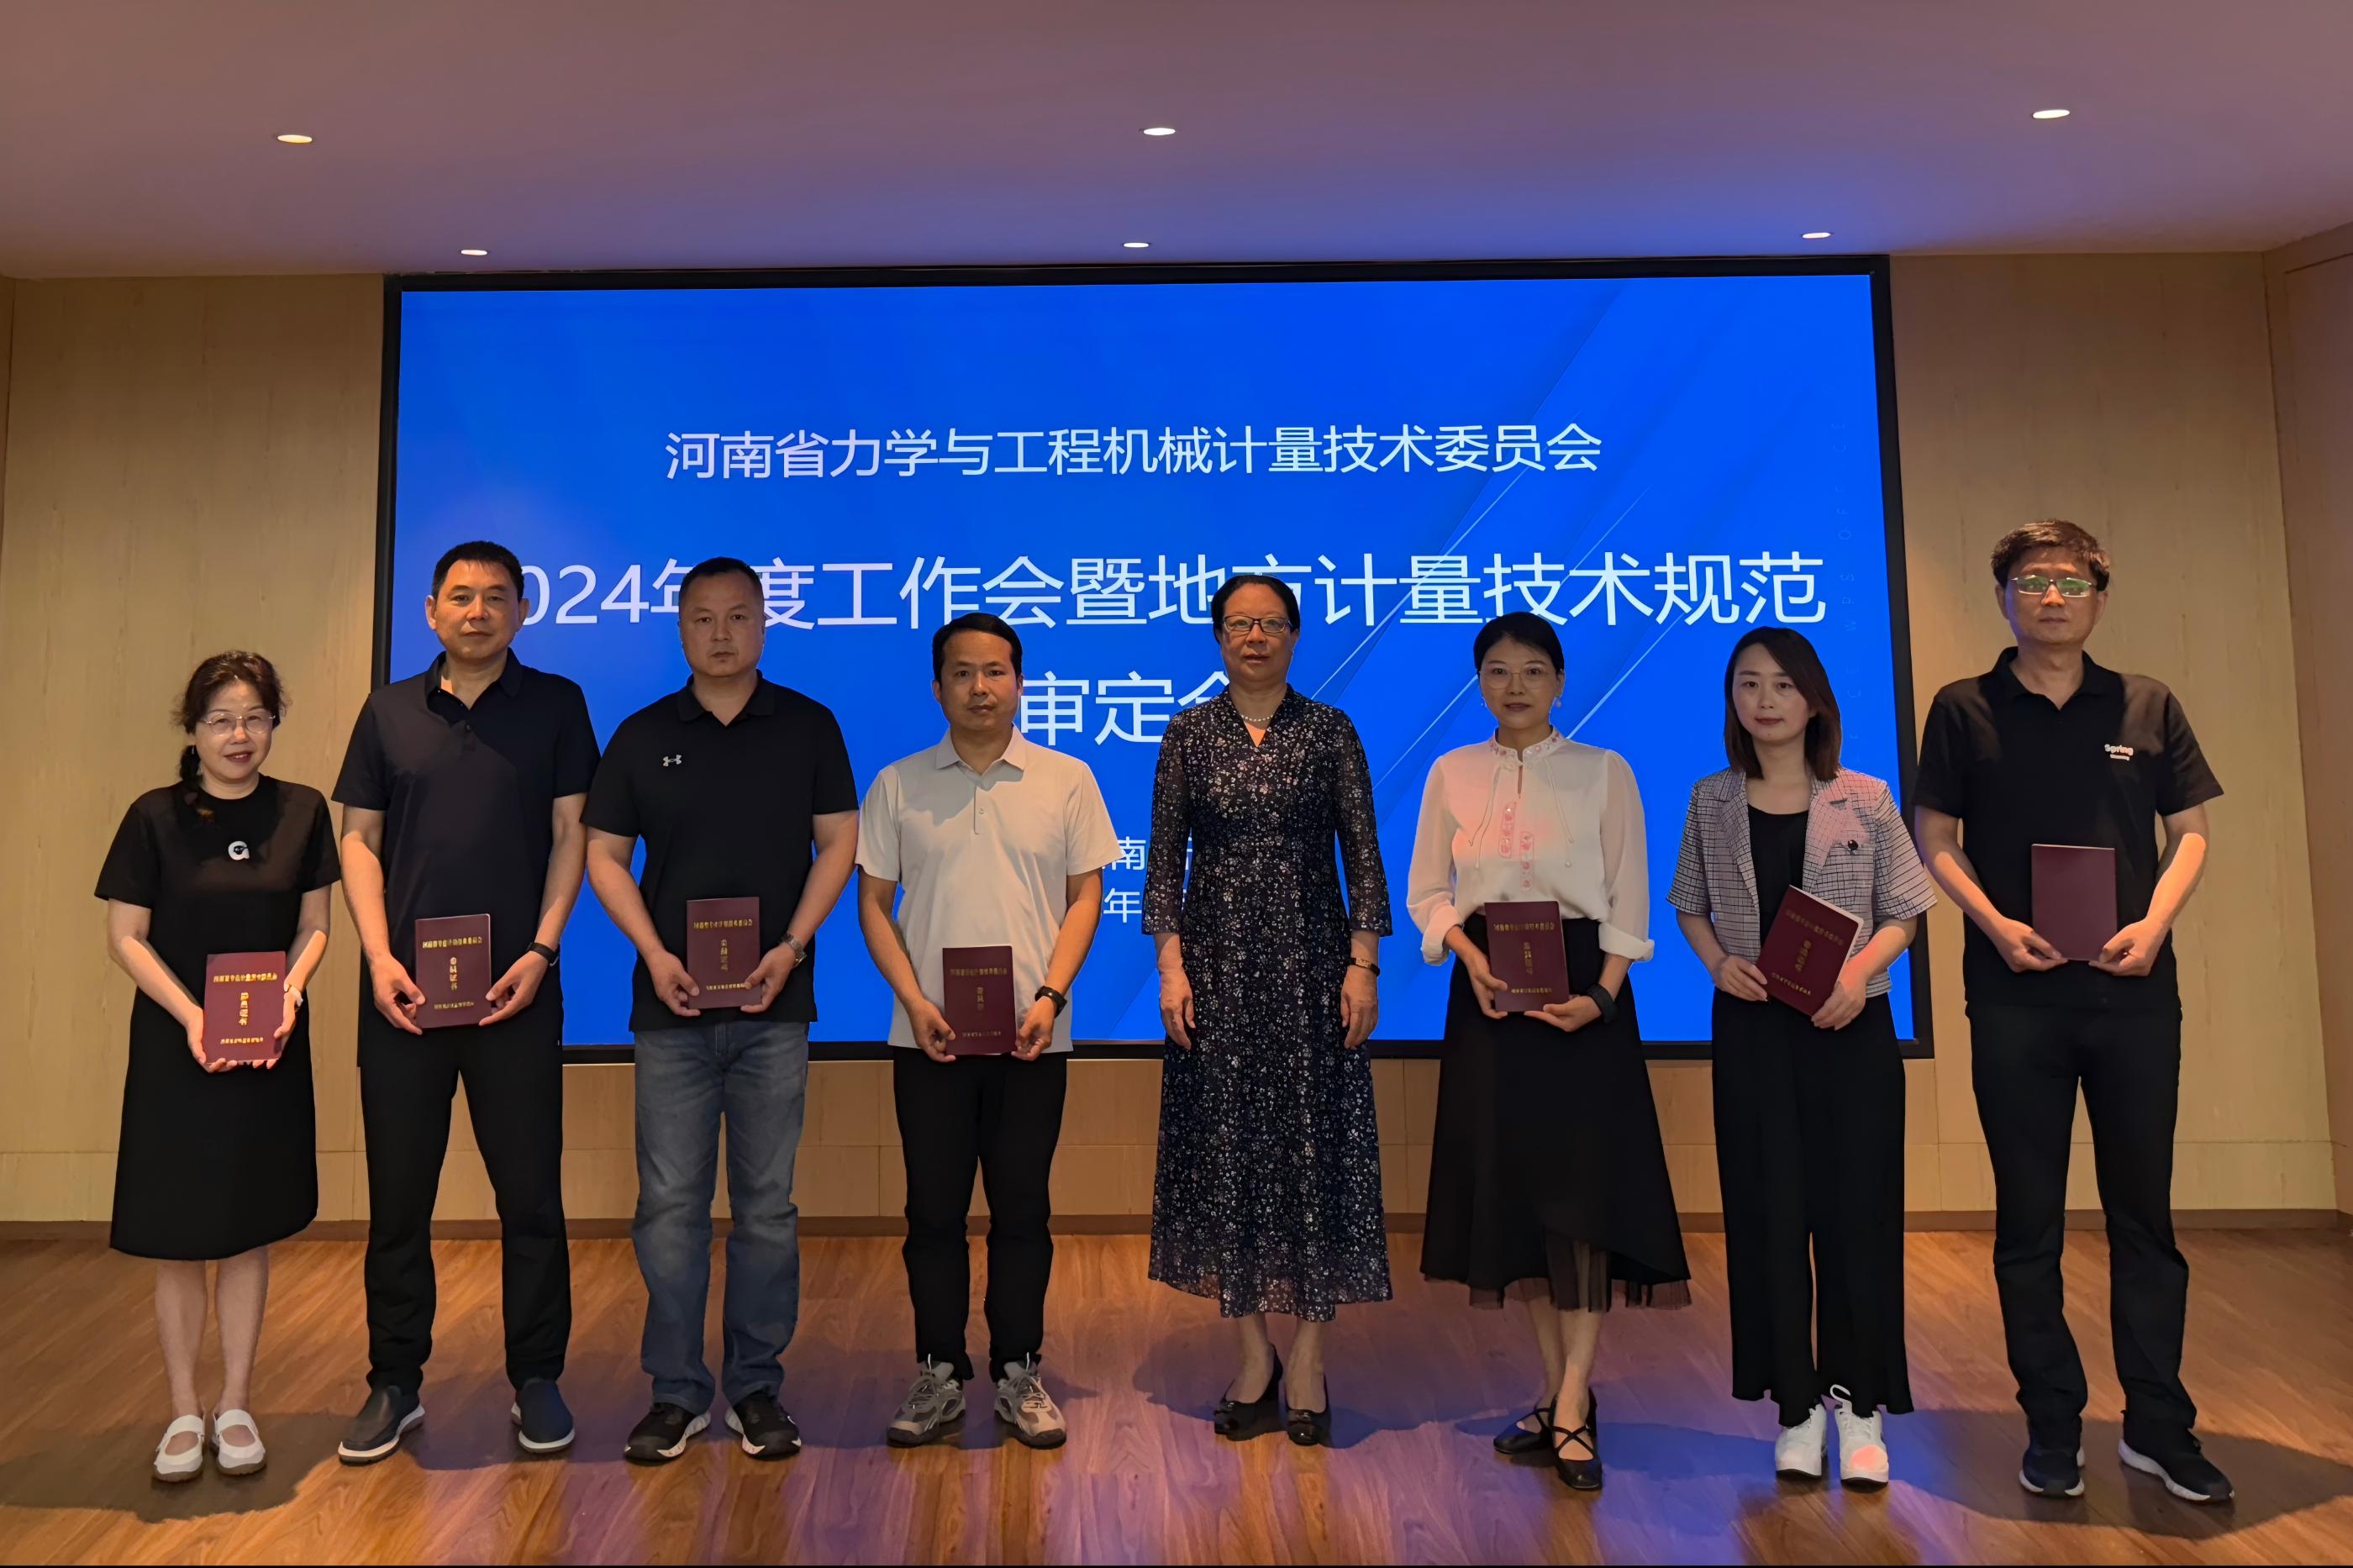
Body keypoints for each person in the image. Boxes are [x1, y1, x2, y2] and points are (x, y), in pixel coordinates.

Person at [1913, 519, 2230, 1505]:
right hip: (2014, 995)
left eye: (2070, 582)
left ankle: (2159, 1427)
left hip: (2132, 995)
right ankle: (2051, 1424)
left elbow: (2189, 833)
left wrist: (2156, 924)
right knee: (2027, 1224)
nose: (2051, 597)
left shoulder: (2145, 703)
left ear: (2098, 596)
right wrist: (1995, 924)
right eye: (2031, 581)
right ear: (2001, 596)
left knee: (2144, 1220)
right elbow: (1934, 835)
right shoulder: (1963, 708)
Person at [584, 556, 859, 1465]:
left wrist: (792, 946)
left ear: (764, 623)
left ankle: (755, 1386)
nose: (721, 634)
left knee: (767, 1207)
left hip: (776, 1006)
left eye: (738, 616)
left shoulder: (809, 725)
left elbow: (839, 842)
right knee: (669, 1207)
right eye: (702, 618)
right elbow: (604, 856)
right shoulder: (641, 734)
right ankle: (675, 1392)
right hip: (671, 1009)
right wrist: (655, 954)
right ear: (680, 629)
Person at [1406, 612, 1687, 1492]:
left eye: (1533, 670)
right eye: (1497, 670)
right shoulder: (1450, 772)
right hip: (1490, 989)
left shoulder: (1605, 770)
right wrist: (1468, 954)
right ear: (1478, 683)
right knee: (1516, 1198)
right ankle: (1558, 1391)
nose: (1515, 686)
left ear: (1560, 682)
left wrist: (1602, 995)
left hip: (1584, 990)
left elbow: (1629, 895)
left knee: (1582, 1196)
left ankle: (1571, 1400)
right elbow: (1428, 892)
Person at [333, 539, 598, 1464]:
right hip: (402, 998)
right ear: (431, 611)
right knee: (398, 1201)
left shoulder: (557, 705)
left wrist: (542, 949)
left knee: (531, 1198)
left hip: (515, 995)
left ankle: (537, 1378)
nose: (477, 611)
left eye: (495, 597)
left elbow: (573, 834)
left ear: (523, 609)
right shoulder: (387, 711)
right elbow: (358, 840)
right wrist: (377, 958)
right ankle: (394, 1381)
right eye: (459, 596)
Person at [1667, 627, 1935, 1488]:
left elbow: (1904, 910)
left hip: (1848, 1028)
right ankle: (1794, 1406)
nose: (1766, 700)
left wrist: (1858, 975)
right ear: (1731, 700)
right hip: (1754, 1029)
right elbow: (1689, 904)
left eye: (1784, 685)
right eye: (1748, 684)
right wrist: (1717, 964)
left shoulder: (1865, 796)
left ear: (1815, 699)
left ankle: (1858, 1407)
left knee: (1857, 1215)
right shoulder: (1711, 799)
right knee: (1768, 1213)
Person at [855, 613, 1120, 1450]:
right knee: (931, 1214)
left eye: (996, 671)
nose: (981, 688)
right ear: (937, 688)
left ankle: (1018, 1370)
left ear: (1020, 682)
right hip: (927, 1039)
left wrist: (1051, 996)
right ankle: (937, 1371)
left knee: (1023, 1211)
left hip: (1031, 1036)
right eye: (963, 673)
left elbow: (1085, 897)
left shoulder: (1067, 779)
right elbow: (873, 904)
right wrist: (914, 1001)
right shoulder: (898, 783)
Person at [1144, 572, 1392, 1447]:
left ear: (1294, 635)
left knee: (1317, 1156)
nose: (1255, 637)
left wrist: (1363, 967)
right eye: (1239, 623)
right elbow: (1163, 865)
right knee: (1226, 1161)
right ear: (1218, 637)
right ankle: (1254, 1355)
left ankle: (1312, 1357)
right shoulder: (1187, 733)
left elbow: (1364, 859)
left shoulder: (1330, 731)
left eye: (1272, 623)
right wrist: (1171, 971)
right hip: (1215, 976)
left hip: (1313, 971)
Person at [97, 652, 339, 1481]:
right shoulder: (153, 816)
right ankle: (181, 1410)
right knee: (178, 1233)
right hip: (178, 1045)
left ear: (274, 724)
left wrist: (291, 992)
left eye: (256, 718)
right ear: (193, 729)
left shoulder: (303, 810)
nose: (241, 735)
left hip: (268, 1043)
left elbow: (315, 925)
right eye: (222, 720)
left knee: (244, 1226)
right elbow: (127, 936)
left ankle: (234, 1403)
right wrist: (195, 1015)